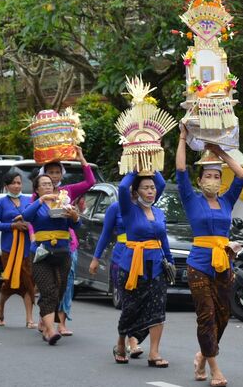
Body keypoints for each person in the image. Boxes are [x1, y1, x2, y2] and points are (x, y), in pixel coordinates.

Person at [176, 124, 243, 387]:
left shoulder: (226, 201)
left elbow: (240, 176)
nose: (213, 181)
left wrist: (220, 152)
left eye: (217, 177)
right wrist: (183, 137)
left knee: (224, 315)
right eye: (209, 176)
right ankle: (215, 369)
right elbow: (181, 170)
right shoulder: (192, 200)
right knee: (206, 315)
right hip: (198, 265)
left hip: (224, 263)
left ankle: (203, 355)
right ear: (200, 180)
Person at [110, 170, 173, 365]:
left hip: (156, 266)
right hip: (132, 266)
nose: (151, 191)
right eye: (145, 188)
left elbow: (163, 239)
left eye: (152, 188)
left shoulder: (158, 212)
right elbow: (122, 187)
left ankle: (154, 353)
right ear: (136, 192)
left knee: (157, 309)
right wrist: (136, 168)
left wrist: (151, 165)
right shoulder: (128, 209)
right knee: (130, 308)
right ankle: (121, 342)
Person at [38, 146, 96, 336]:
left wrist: (81, 157)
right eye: (50, 173)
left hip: (67, 244)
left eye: (57, 172)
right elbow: (32, 219)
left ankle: (61, 321)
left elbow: (90, 181)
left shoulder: (68, 191)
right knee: (48, 284)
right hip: (44, 245)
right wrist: (34, 239)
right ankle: (46, 319)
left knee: (66, 282)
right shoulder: (39, 195)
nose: (54, 177)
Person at [23, 174, 81, 345]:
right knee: (47, 290)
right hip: (41, 252)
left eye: (50, 184)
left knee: (59, 289)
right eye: (44, 185)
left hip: (63, 251)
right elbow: (26, 216)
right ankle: (50, 330)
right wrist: (41, 200)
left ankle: (45, 321)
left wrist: (74, 216)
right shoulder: (36, 205)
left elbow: (77, 225)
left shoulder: (63, 202)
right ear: (37, 189)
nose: (49, 187)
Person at [89, 200, 141, 356]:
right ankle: (131, 341)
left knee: (139, 301)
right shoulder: (116, 207)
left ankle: (126, 340)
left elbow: (159, 184)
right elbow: (105, 234)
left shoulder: (146, 204)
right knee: (128, 301)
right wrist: (95, 258)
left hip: (143, 258)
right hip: (121, 258)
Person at [0, 171, 35, 328]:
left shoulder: (29, 200)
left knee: (28, 281)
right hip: (9, 248)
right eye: (13, 183)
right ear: (6, 186)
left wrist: (28, 225)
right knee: (8, 281)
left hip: (27, 248)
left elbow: (36, 220)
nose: (17, 186)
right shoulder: (0, 203)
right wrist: (12, 226)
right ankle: (0, 307)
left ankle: (29, 319)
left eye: (19, 183)